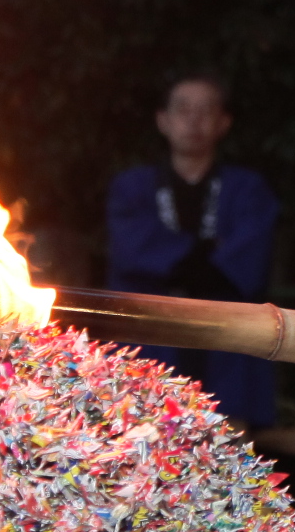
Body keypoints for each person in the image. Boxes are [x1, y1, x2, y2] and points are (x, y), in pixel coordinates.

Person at [107, 72, 280, 428]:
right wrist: (206, 253)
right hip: (152, 338)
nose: (193, 121)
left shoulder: (248, 189)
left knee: (230, 453)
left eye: (205, 111)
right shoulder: (132, 188)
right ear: (163, 121)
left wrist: (182, 259)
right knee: (141, 449)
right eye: (183, 110)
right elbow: (131, 252)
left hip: (226, 341)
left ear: (223, 123)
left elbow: (247, 260)